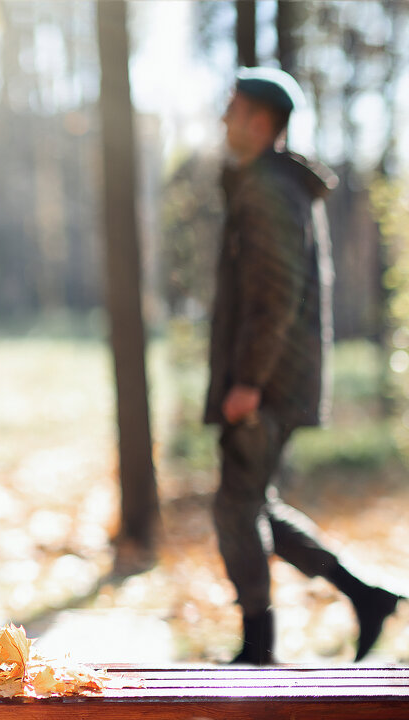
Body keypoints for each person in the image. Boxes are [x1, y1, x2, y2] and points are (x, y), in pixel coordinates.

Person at [205, 67, 400, 664]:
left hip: (267, 384)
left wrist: (249, 383)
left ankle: (258, 648)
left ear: (261, 124)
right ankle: (364, 595)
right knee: (254, 502)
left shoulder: (266, 188)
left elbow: (278, 295)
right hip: (276, 380)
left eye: (232, 110)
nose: (223, 119)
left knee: (235, 506)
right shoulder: (269, 184)